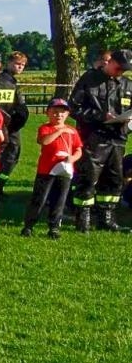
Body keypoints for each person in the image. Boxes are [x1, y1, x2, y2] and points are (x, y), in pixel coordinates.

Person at [66, 47, 132, 232]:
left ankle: (107, 219)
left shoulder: (127, 85)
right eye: (118, 68)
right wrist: (100, 116)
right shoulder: (89, 80)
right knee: (88, 178)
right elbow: (74, 107)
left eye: (124, 70)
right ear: (109, 62)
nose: (121, 73)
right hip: (93, 137)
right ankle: (83, 219)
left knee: (113, 180)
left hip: (118, 139)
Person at [21, 98, 81, 238]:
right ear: (48, 113)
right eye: (55, 112)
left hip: (65, 169)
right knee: (39, 198)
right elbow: (45, 141)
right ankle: (29, 225)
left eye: (62, 113)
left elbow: (78, 149)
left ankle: (54, 226)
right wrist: (60, 131)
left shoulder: (72, 131)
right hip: (46, 170)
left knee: (60, 199)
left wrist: (73, 158)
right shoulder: (45, 128)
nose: (58, 115)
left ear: (67, 115)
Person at [0, 51, 29, 224]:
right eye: (16, 64)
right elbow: (19, 109)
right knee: (8, 157)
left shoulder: (4, 82)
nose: (19, 67)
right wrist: (12, 125)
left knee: (8, 157)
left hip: (2, 126)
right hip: (9, 127)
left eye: (22, 65)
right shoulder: (6, 83)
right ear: (7, 63)